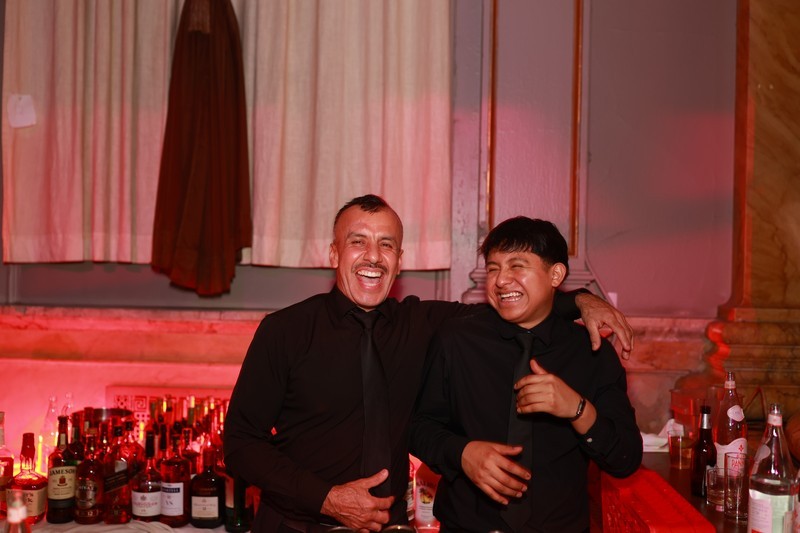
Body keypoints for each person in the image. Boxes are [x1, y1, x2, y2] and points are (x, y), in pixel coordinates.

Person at [223, 196, 634, 532]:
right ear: (334, 253)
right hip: (297, 525)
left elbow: (513, 305)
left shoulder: (422, 323)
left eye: (386, 244)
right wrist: (327, 499)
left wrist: (580, 300)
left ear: (399, 259)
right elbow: (240, 444)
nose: (373, 256)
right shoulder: (285, 330)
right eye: (358, 241)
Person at [410, 216, 643, 533]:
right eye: (493, 268)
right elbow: (419, 427)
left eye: (517, 266)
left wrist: (577, 409)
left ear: (555, 274)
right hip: (467, 526)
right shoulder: (457, 340)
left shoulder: (591, 353)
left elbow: (625, 459)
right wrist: (462, 453)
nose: (501, 280)